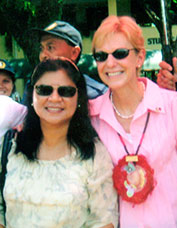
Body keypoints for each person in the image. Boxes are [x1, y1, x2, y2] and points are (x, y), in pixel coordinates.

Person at [89, 15, 177, 228]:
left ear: (140, 57)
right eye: (101, 56)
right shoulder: (91, 116)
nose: (110, 63)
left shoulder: (175, 106)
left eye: (120, 53)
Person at [0, 59, 118, 228]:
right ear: (32, 94)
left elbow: (103, 221)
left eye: (65, 91)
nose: (54, 98)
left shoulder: (94, 153)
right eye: (44, 90)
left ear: (79, 97)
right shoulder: (10, 146)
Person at [31, 20, 107, 99]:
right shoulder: (34, 89)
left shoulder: (96, 95)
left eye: (50, 47)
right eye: (41, 48)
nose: (43, 55)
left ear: (74, 53)